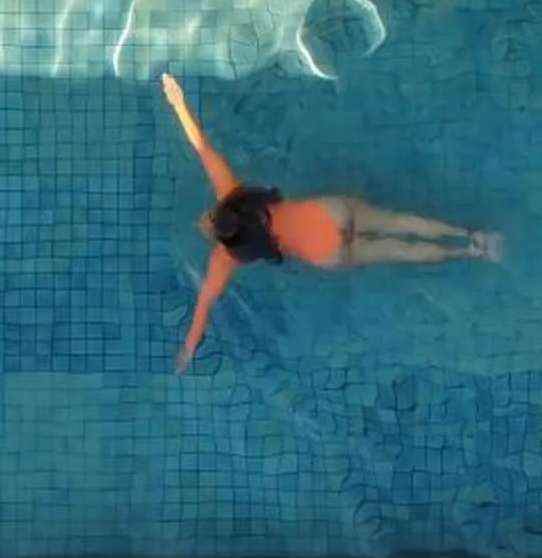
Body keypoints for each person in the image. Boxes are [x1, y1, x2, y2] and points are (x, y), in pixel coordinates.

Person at [161, 72, 501, 373]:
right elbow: (202, 146)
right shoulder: (233, 192)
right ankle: (473, 235)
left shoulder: (227, 257)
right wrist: (178, 102)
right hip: (331, 213)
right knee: (400, 221)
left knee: (398, 249)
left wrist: (190, 346)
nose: (203, 222)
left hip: (327, 251)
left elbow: (205, 302)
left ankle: (471, 253)